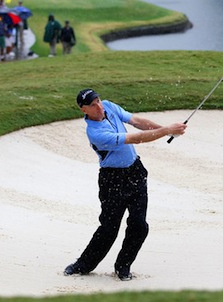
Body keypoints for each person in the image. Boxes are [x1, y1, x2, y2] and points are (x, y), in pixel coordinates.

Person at [64, 89, 187, 281]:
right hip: (112, 180)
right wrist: (167, 130)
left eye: (98, 100)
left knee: (139, 226)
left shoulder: (110, 107)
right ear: (84, 110)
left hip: (135, 172)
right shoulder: (95, 133)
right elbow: (135, 138)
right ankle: (83, 265)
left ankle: (123, 267)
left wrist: (166, 130)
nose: (99, 106)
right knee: (109, 229)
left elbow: (137, 122)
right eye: (93, 104)